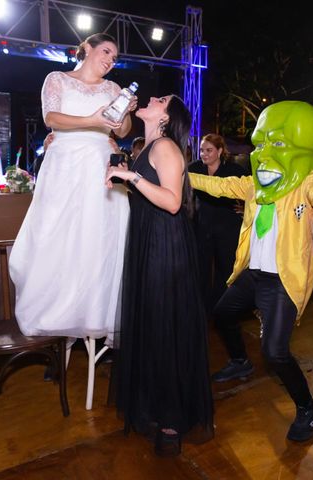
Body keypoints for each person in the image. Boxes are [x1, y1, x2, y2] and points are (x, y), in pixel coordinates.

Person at [189, 101, 313, 443]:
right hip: (252, 274)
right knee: (222, 313)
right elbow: (216, 186)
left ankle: (307, 407)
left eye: (276, 145)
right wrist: (177, 174)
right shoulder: (253, 186)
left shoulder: (305, 182)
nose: (264, 154)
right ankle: (240, 360)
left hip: (281, 281)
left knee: (275, 352)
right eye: (261, 144)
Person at [106, 95, 214, 457]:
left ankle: (171, 419)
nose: (152, 98)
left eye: (160, 99)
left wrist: (130, 176)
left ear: (166, 117)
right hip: (148, 242)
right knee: (152, 326)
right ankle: (152, 404)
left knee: (166, 328)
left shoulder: (166, 146)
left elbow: (171, 201)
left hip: (164, 247)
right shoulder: (148, 145)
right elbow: (146, 193)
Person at [9, 33, 133, 347]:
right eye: (106, 51)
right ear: (86, 49)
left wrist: (127, 112)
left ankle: (94, 317)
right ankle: (56, 325)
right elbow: (51, 118)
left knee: (99, 240)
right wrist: (90, 120)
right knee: (58, 236)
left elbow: (122, 129)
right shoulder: (57, 79)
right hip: (64, 165)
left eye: (115, 57)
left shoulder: (114, 89)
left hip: (100, 166)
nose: (110, 59)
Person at [188, 133, 247, 312]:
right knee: (201, 268)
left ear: (220, 151)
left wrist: (245, 209)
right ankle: (202, 308)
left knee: (226, 269)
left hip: (227, 227)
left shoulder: (234, 170)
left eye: (209, 150)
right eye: (202, 150)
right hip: (202, 226)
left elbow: (251, 191)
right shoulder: (194, 168)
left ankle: (221, 307)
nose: (204, 154)